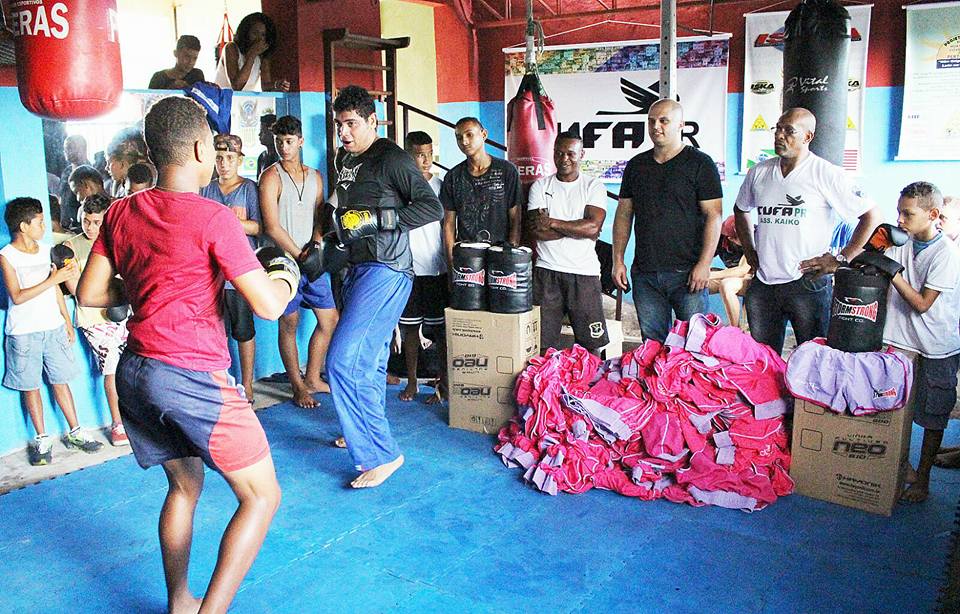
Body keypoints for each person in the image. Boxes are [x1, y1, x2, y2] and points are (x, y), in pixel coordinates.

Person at [76, 95, 295, 613]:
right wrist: (286, 274)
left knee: (185, 486)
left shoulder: (121, 211)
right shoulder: (214, 217)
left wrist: (147, 289)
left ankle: (180, 602)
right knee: (262, 495)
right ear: (199, 148)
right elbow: (267, 306)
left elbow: (90, 293)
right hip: (190, 375)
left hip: (136, 372)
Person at [327, 85, 443, 488]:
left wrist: (380, 219)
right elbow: (346, 211)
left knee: (343, 361)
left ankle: (381, 454)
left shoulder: (392, 158)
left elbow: (431, 207)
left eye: (351, 124)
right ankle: (358, 429)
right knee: (373, 359)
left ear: (373, 121)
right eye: (339, 124)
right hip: (357, 266)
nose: (344, 132)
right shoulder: (345, 158)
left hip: (388, 269)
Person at [738, 107, 879, 354]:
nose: (779, 135)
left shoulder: (826, 173)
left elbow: (872, 216)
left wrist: (841, 258)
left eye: (789, 130)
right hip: (764, 283)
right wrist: (750, 251)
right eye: (777, 128)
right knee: (764, 359)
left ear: (808, 137)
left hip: (807, 282)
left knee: (813, 358)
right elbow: (741, 209)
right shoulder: (759, 172)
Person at [863, 182, 960, 503]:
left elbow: (922, 304)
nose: (900, 219)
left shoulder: (946, 254)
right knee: (891, 406)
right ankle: (901, 466)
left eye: (908, 214)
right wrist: (871, 251)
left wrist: (892, 272)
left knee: (933, 414)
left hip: (936, 345)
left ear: (932, 215)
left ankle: (924, 479)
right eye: (898, 212)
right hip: (899, 339)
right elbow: (866, 267)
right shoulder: (899, 242)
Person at [1, 197, 103, 465]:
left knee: (61, 380)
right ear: (24, 226)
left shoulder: (48, 250)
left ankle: (75, 431)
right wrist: (53, 279)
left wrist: (66, 321)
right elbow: (17, 296)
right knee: (30, 385)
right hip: (23, 331)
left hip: (53, 327)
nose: (44, 226)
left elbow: (57, 291)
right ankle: (42, 438)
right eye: (39, 222)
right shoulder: (7, 256)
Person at [612, 99, 723, 343]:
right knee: (652, 345)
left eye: (664, 121)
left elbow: (714, 216)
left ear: (681, 125)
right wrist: (617, 260)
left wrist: (704, 264)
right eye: (651, 121)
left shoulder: (701, 164)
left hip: (688, 274)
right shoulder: (636, 166)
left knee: (694, 344)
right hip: (646, 274)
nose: (656, 127)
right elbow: (623, 214)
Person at [259, 115, 338, 408]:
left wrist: (315, 244)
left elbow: (320, 215)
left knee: (329, 320)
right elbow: (271, 226)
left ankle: (313, 377)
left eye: (289, 141)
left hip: (312, 259)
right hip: (284, 262)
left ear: (301, 141)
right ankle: (297, 385)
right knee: (289, 322)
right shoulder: (270, 176)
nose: (284, 147)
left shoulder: (315, 176)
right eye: (279, 141)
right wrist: (298, 253)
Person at [528, 132, 609, 354]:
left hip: (584, 274)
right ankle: (546, 378)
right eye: (559, 153)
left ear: (581, 154)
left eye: (571, 154)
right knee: (542, 345)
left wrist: (552, 222)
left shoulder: (593, 186)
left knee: (591, 345)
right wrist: (578, 229)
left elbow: (592, 228)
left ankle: (590, 378)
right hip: (547, 272)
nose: (564, 159)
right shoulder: (540, 186)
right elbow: (538, 231)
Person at [60, 194, 129, 446]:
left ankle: (136, 419)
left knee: (132, 368)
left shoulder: (118, 242)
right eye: (86, 221)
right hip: (94, 320)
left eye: (97, 222)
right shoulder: (70, 247)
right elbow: (78, 291)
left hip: (123, 314)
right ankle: (118, 424)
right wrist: (117, 291)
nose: (90, 227)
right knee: (112, 369)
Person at [200, 134, 262, 402]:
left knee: (244, 330)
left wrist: (226, 221)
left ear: (240, 160)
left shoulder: (249, 189)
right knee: (216, 332)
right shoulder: (206, 189)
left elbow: (258, 227)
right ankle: (220, 385)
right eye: (219, 158)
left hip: (240, 273)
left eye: (229, 158)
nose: (224, 164)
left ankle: (247, 385)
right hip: (211, 274)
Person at [396, 131, 447, 402]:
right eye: (419, 154)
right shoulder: (400, 188)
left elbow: (448, 228)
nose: (426, 160)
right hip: (408, 270)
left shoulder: (441, 186)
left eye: (429, 154)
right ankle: (413, 382)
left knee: (440, 331)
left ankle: (441, 385)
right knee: (409, 330)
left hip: (436, 269)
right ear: (407, 156)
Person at [440, 117, 522, 266]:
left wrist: (510, 257)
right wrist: (451, 264)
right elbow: (449, 225)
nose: (464, 141)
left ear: (483, 134)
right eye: (459, 137)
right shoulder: (452, 177)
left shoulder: (507, 171)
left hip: (500, 255)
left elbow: (515, 218)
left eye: (469, 134)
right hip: (467, 258)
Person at [214, 13, 290, 92]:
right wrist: (252, 55)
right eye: (255, 33)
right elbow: (236, 86)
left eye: (263, 35)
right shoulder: (231, 48)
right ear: (245, 33)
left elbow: (265, 86)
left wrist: (277, 85)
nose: (259, 39)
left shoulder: (262, 55)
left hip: (243, 99)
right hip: (220, 98)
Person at [707, 215, 752, 329]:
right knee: (697, 282)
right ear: (730, 238)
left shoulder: (754, 237)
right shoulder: (719, 238)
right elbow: (703, 259)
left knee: (727, 285)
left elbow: (742, 270)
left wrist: (710, 275)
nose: (745, 238)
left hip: (754, 279)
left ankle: (735, 329)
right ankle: (696, 325)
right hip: (732, 274)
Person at [59, 134, 90, 231]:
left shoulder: (89, 172)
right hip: (66, 225)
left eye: (69, 147)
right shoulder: (66, 171)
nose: (66, 151)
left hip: (82, 226)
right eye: (65, 148)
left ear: (81, 149)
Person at [106, 130, 147, 199]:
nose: (106, 168)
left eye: (109, 163)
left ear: (122, 163)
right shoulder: (120, 185)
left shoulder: (141, 184)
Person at [256, 113, 279, 179]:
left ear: (272, 133)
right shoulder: (262, 156)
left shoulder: (280, 157)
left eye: (262, 131)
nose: (259, 134)